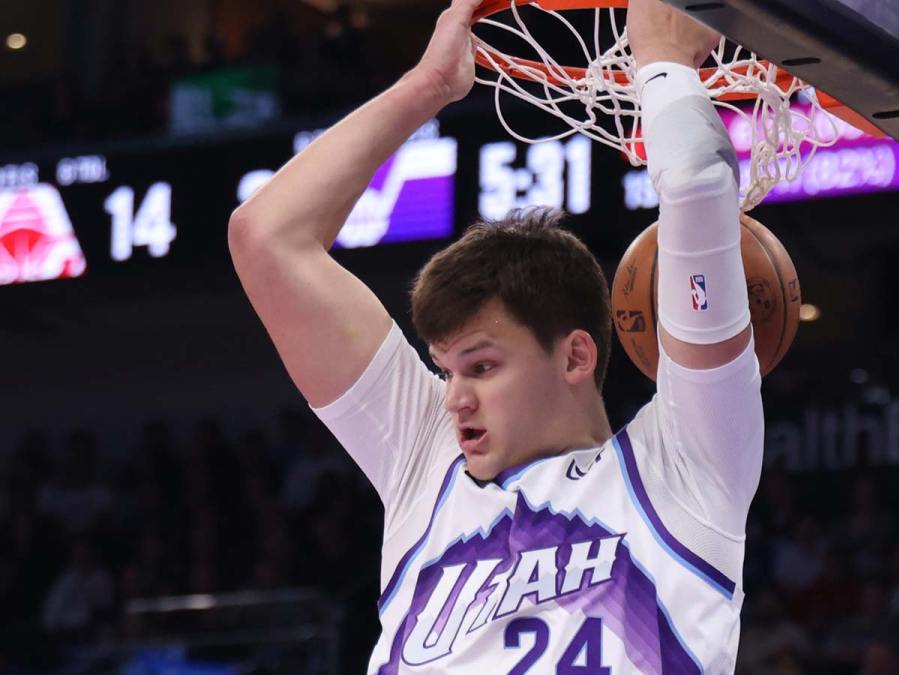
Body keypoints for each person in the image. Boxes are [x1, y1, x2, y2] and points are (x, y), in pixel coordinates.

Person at [227, 0, 764, 671]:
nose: (453, 397)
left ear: (574, 355)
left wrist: (662, 55)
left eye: (481, 367)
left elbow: (696, 183)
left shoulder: (683, 468)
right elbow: (265, 238)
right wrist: (426, 88)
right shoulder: (427, 454)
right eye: (447, 370)